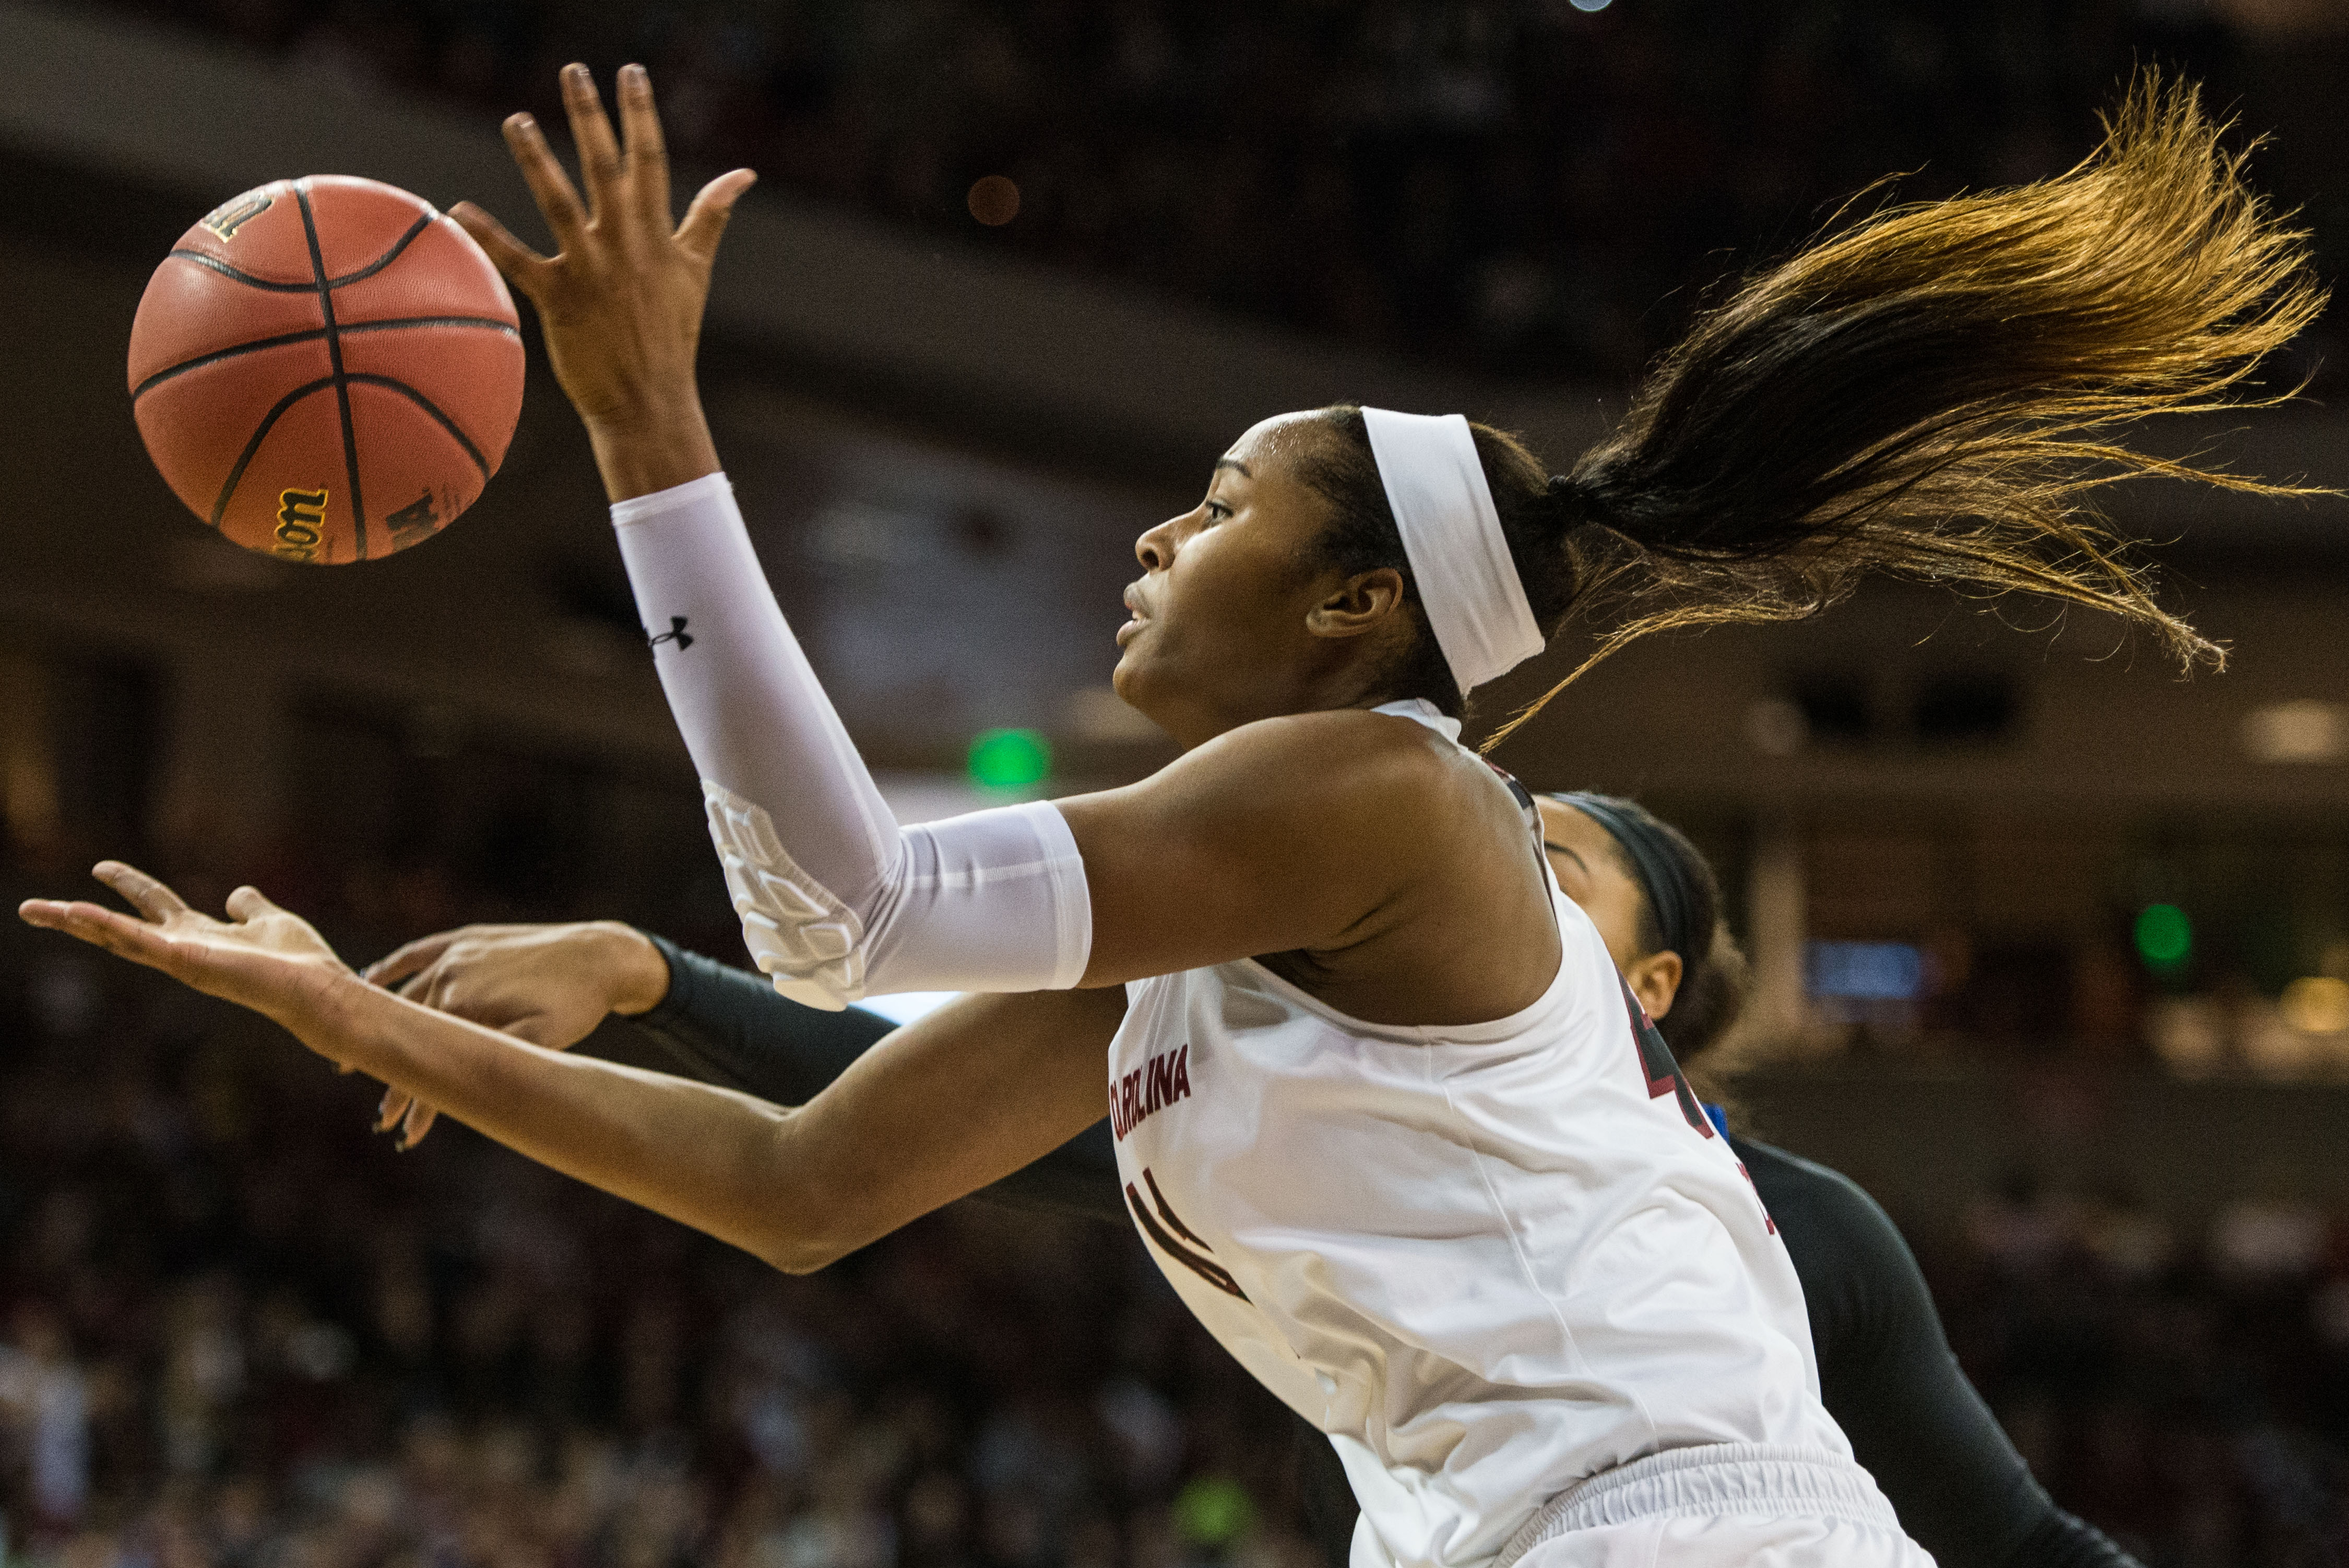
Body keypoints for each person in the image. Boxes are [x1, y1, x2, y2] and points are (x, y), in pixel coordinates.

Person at [21, 63, 2316, 1568]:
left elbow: (847, 911)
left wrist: (646, 428)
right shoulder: (1209, 922)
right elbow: (807, 1182)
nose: (1149, 537)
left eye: (1214, 501)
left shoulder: (1386, 792)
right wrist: (356, 1021)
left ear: (1346, 605)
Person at [358, 793, 2143, 1568]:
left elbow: (2021, 1544)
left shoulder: (1804, 1232)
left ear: (1647, 987)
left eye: (1560, 863)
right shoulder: (1285, 1107)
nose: (1498, 870)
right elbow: (860, 1142)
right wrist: (653, 979)